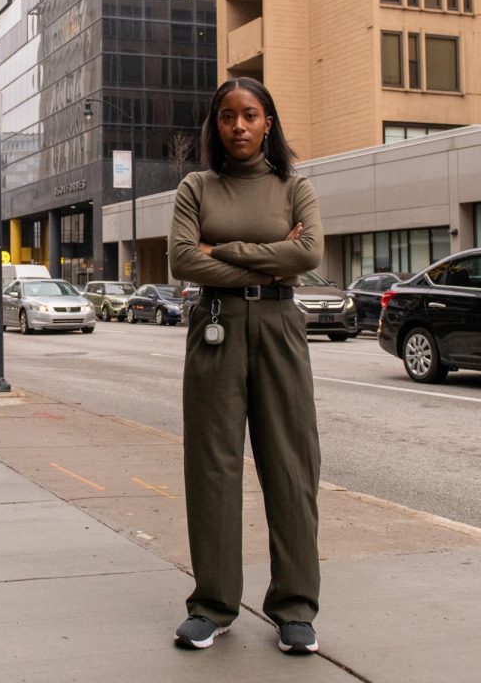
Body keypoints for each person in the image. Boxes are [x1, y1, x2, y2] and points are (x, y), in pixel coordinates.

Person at [167, 77, 324, 656]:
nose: (238, 126)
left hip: (281, 331)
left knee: (290, 467)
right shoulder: (196, 187)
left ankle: (295, 607)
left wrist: (223, 252)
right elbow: (182, 260)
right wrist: (268, 261)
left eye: (250, 115)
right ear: (216, 125)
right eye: (228, 116)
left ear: (268, 123)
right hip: (215, 331)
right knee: (212, 469)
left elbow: (308, 255)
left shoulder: (293, 186)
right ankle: (212, 605)